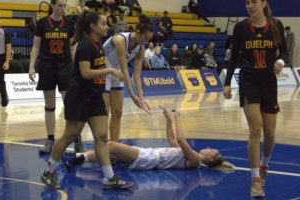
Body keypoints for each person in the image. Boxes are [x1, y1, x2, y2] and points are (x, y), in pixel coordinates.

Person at [41, 11, 134, 190]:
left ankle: (109, 178)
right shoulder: (84, 44)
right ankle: (48, 172)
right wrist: (110, 71)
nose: (107, 27)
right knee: (69, 136)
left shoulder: (98, 43)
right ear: (93, 26)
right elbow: (85, 73)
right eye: (103, 23)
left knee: (101, 137)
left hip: (94, 96)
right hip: (79, 96)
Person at [223, 0, 288, 198]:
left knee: (269, 135)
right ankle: (255, 180)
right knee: (256, 130)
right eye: (247, 2)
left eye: (254, 2)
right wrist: (227, 82)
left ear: (263, 3)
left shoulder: (275, 25)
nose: (250, 6)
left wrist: (280, 61)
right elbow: (234, 56)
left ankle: (264, 165)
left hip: (268, 81)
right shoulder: (241, 27)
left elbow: (284, 50)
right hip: (248, 80)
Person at [64, 107, 234, 171]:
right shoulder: (192, 156)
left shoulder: (196, 160)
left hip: (150, 160)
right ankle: (79, 159)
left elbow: (181, 140)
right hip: (150, 155)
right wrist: (168, 120)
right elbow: (172, 140)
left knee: (111, 146)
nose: (209, 148)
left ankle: (78, 159)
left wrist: (178, 118)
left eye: (212, 150)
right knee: (112, 153)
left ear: (210, 158)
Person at [28, 0, 84, 153]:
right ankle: (50, 140)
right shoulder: (42, 23)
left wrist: (77, 68)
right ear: (52, 5)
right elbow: (35, 47)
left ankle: (77, 138)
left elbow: (73, 48)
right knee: (49, 104)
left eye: (64, 6)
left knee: (70, 102)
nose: (62, 9)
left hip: (65, 65)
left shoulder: (69, 24)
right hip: (47, 65)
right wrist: (31, 66)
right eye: (59, 5)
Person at [103, 15, 153, 142]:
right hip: (103, 70)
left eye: (149, 40)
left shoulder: (140, 49)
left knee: (118, 113)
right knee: (104, 113)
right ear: (137, 32)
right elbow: (125, 70)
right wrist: (132, 96)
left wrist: (141, 99)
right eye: (145, 38)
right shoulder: (120, 40)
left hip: (117, 73)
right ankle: (102, 144)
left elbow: (136, 76)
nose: (146, 42)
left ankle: (113, 146)